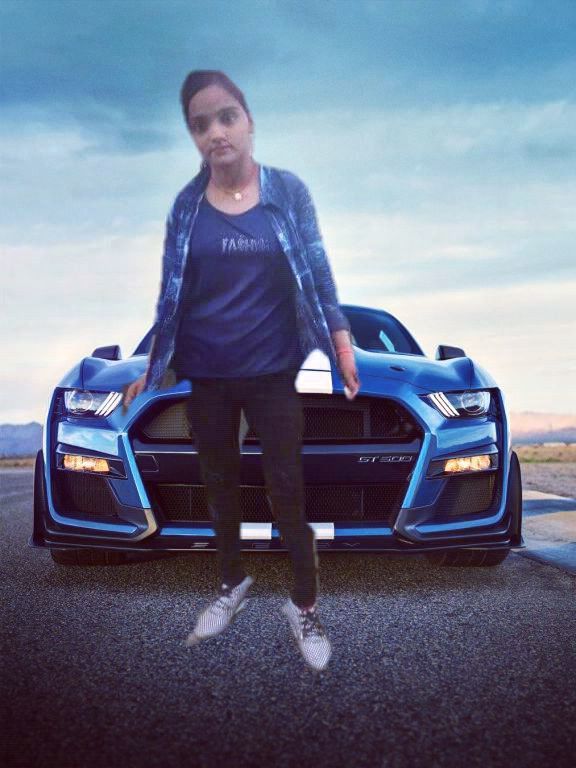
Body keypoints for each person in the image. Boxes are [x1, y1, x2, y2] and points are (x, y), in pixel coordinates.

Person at [122, 70, 361, 672]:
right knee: (220, 488)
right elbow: (171, 296)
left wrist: (342, 348)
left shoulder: (287, 192)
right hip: (207, 373)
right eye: (200, 124)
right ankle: (231, 584)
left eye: (226, 117)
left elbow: (318, 272)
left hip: (272, 372)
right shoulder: (186, 207)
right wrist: (152, 369)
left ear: (249, 121)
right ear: (193, 135)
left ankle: (304, 606)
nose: (215, 132)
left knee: (287, 489)